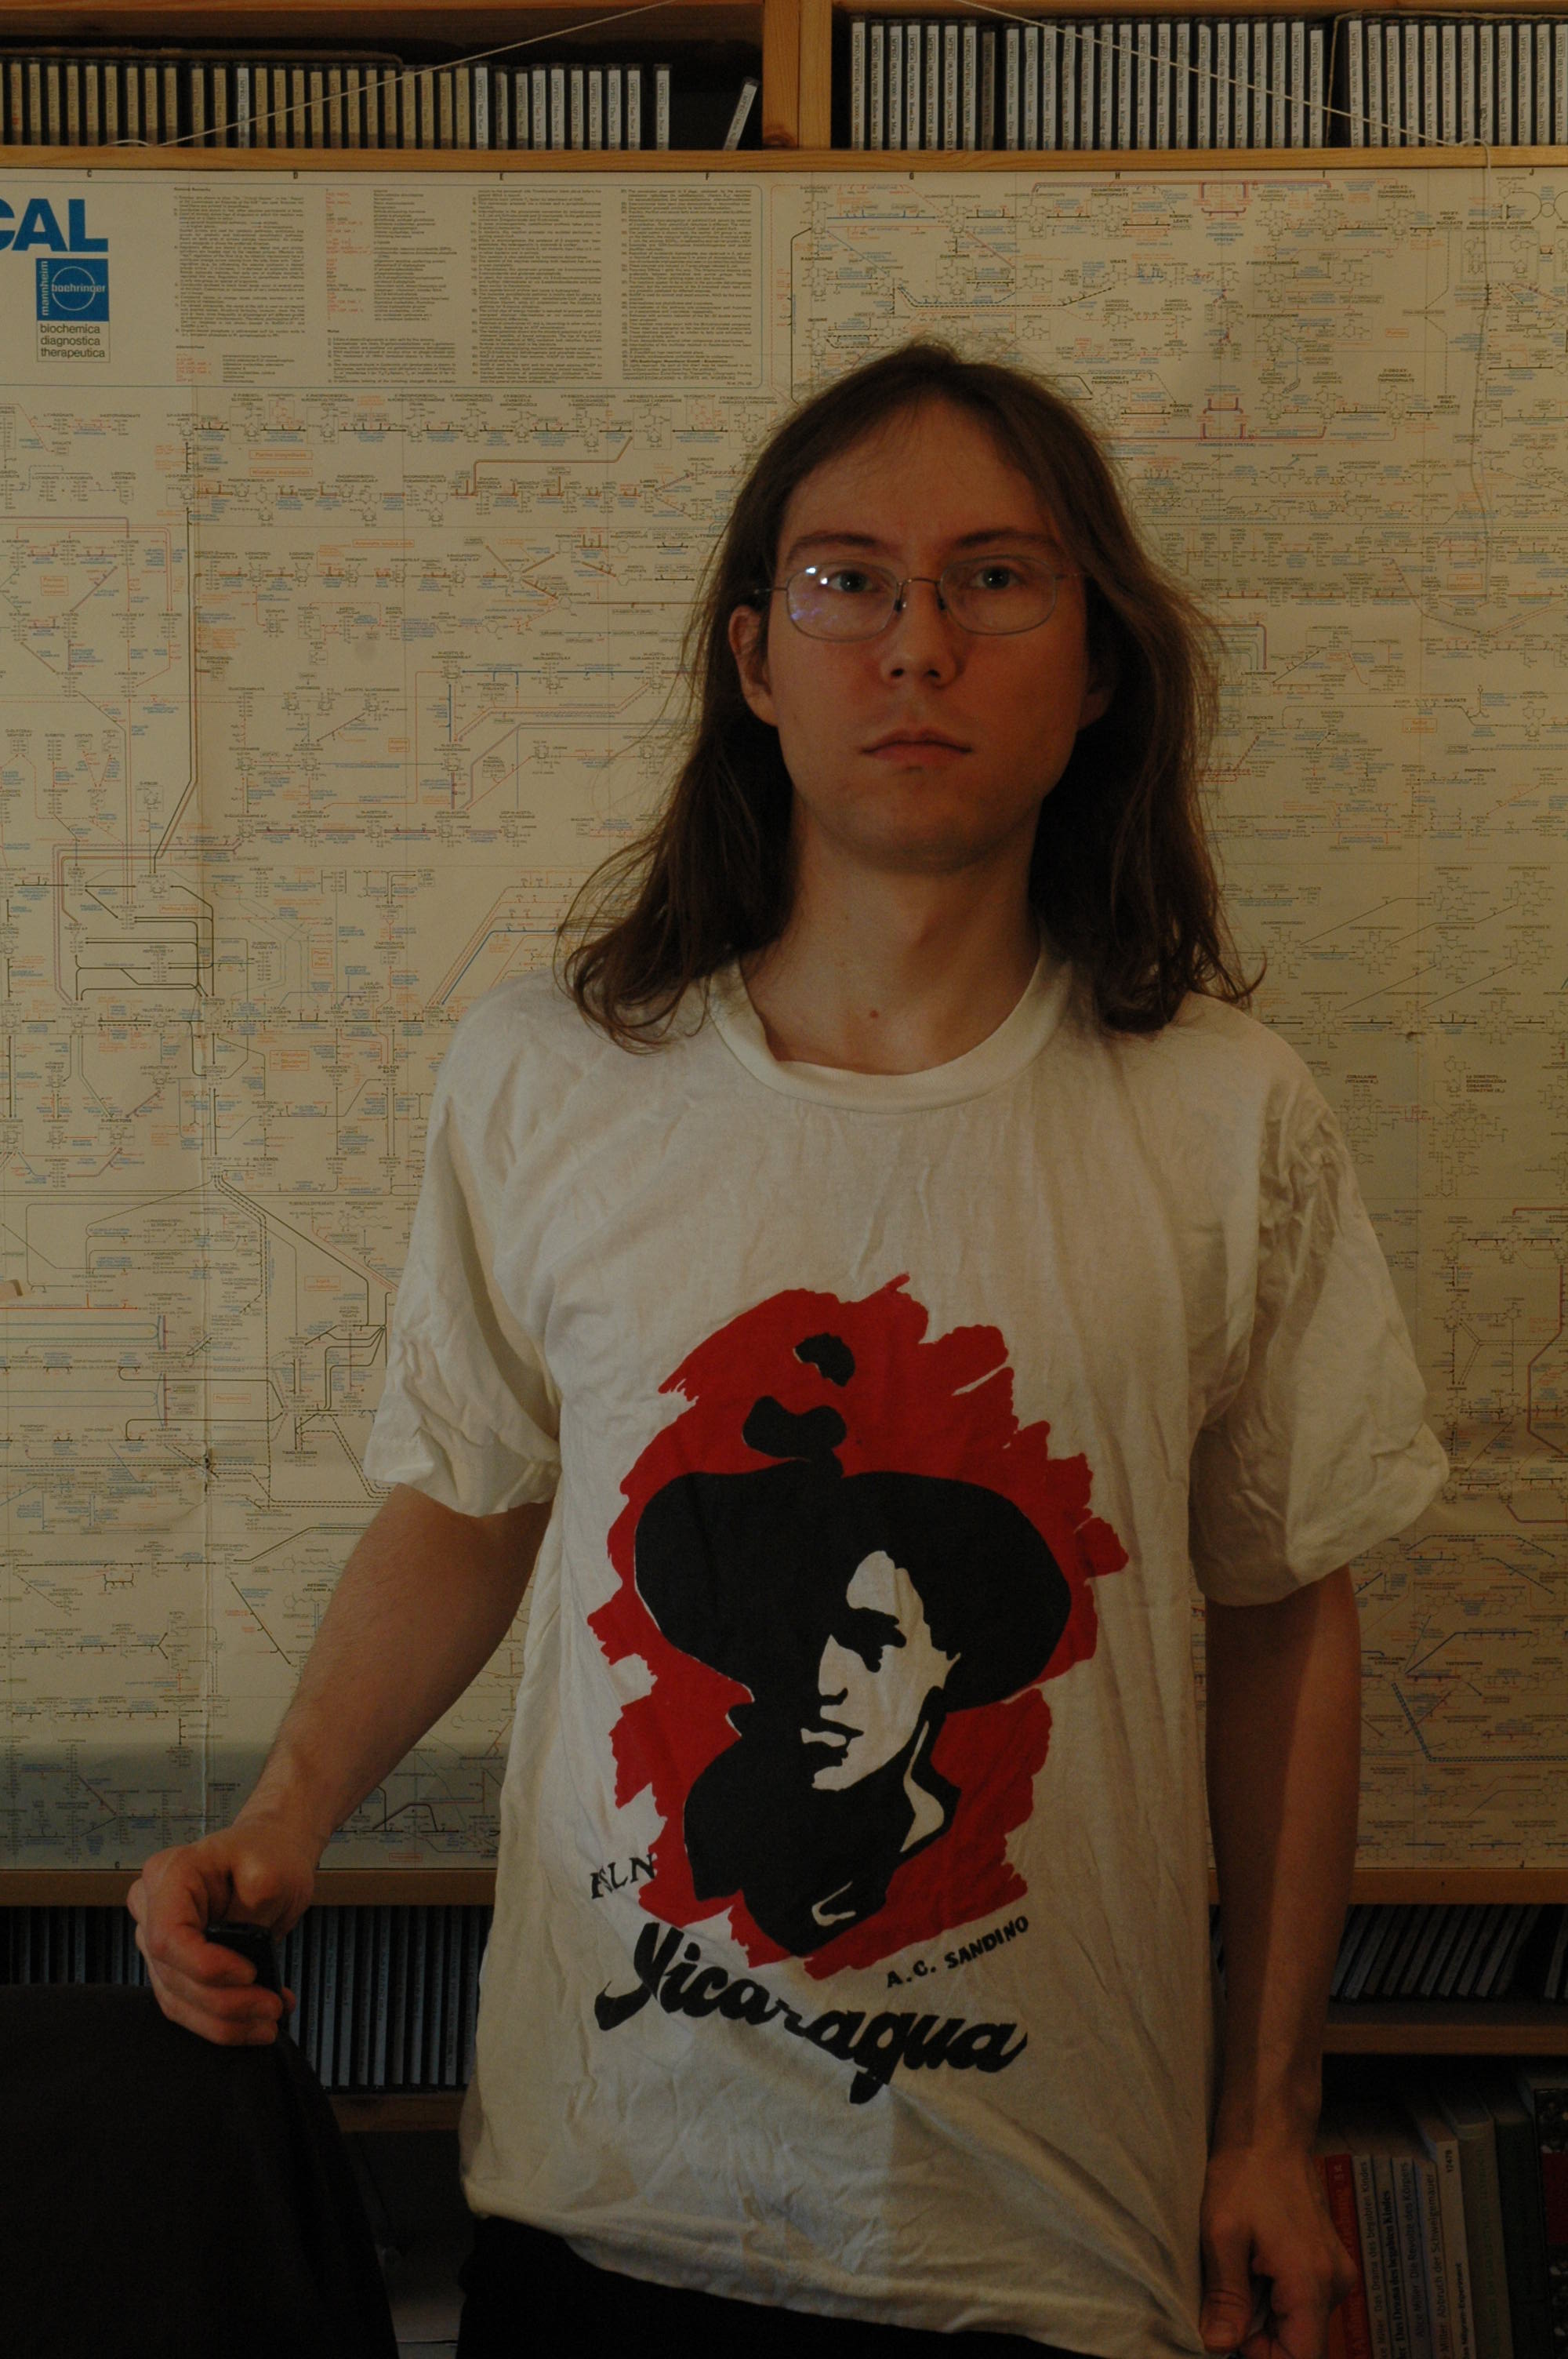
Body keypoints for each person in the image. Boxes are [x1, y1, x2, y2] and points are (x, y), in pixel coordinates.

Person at [129, 338, 1447, 2359]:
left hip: (1053, 2241)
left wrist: (1268, 2121)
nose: (916, 644)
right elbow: (474, 1499)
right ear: (754, 657)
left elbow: (1282, 1611)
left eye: (995, 578)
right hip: (608, 2208)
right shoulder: (553, 1076)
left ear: (1099, 665)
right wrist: (284, 1814)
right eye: (848, 582)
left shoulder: (1226, 1115)